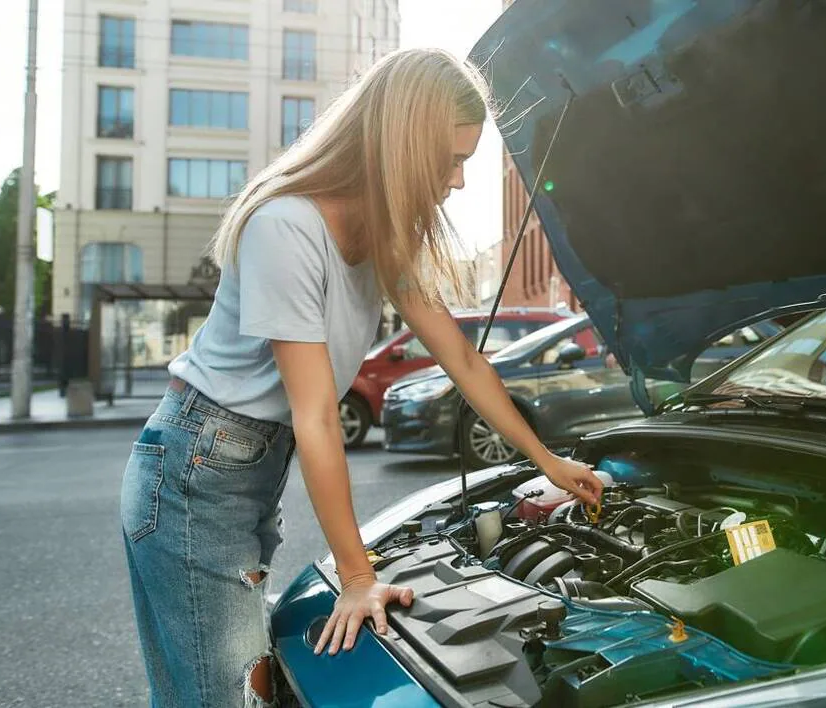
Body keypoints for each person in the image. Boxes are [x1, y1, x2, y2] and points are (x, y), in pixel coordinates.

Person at [119, 48, 604, 707]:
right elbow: (317, 414)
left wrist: (546, 459)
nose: (459, 181)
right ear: (405, 146)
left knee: (212, 691)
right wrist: (356, 576)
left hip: (241, 471)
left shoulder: (383, 235)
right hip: (192, 478)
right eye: (452, 160)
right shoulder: (287, 227)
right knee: (225, 698)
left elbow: (462, 360)